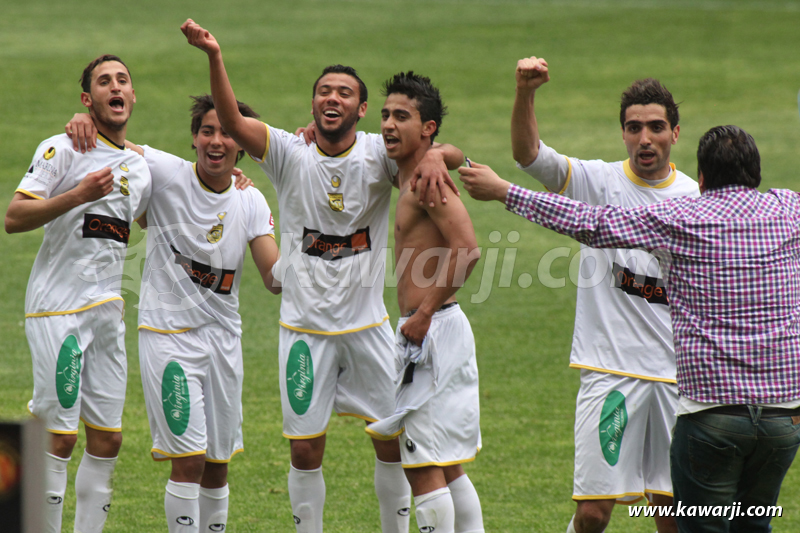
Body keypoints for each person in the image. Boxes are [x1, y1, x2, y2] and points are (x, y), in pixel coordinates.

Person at [181, 19, 464, 533]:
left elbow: (448, 153)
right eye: (323, 92)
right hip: (304, 333)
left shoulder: (380, 152)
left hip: (370, 330)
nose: (332, 98)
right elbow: (233, 120)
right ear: (313, 106)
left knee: (391, 438)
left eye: (345, 93)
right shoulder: (289, 153)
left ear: (360, 110)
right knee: (306, 450)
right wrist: (214, 57)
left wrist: (443, 154)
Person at [460, 124, 800, 533]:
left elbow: (593, 224)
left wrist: (505, 192)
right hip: (783, 421)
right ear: (757, 174)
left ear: (703, 179)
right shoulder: (788, 210)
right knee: (751, 526)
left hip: (712, 415)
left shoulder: (682, 217)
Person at [66, 93, 281, 532]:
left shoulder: (250, 201)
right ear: (194, 139)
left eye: (226, 132)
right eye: (207, 131)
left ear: (241, 144)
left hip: (223, 341)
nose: (216, 141)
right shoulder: (165, 172)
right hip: (168, 339)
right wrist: (81, 120)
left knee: (218, 466)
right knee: (188, 461)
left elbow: (274, 279)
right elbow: (108, 143)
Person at [506, 56, 699, 533]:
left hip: (679, 383)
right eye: (634, 128)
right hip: (610, 373)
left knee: (674, 515)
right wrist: (526, 93)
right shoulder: (599, 181)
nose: (644, 138)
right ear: (623, 134)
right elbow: (530, 156)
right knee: (593, 512)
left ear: (675, 133)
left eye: (656, 127)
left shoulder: (696, 199)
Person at [4, 54, 151, 533]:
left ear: (132, 96)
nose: (116, 87)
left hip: (108, 314)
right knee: (59, 438)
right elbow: (13, 217)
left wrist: (233, 180)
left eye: (122, 80)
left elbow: (174, 201)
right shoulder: (62, 149)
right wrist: (78, 196)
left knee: (107, 440)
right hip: (58, 311)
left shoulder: (140, 167)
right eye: (104, 81)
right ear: (88, 100)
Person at [365, 72, 483, 533]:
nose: (389, 125)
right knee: (447, 462)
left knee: (421, 466)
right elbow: (456, 154)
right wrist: (442, 153)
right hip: (440, 328)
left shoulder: (426, 183)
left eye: (402, 116)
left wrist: (424, 314)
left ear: (427, 126)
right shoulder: (415, 170)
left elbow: (468, 250)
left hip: (431, 329)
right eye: (386, 115)